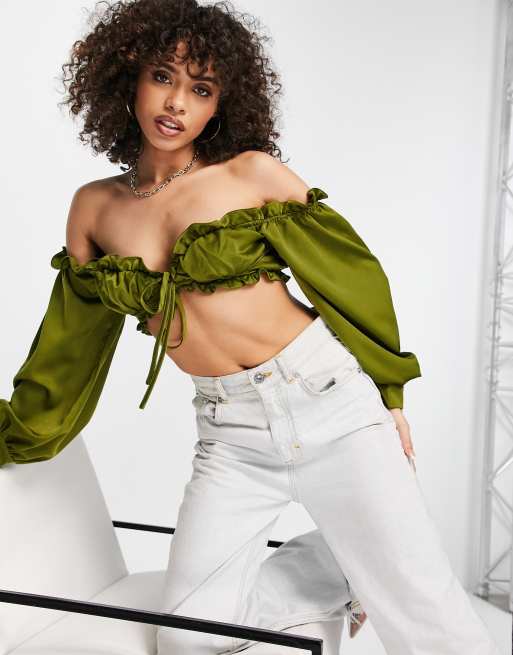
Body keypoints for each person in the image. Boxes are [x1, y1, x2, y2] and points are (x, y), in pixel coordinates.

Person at [0, 1, 501, 653]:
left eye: (201, 89)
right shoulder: (94, 207)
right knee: (188, 636)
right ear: (129, 77)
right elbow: (69, 344)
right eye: (163, 77)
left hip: (329, 401)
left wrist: (390, 393)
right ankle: (340, 566)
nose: (176, 103)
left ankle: (369, 564)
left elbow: (351, 277)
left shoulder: (250, 173)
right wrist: (20, 432)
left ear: (220, 105)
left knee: (427, 612)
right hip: (229, 435)